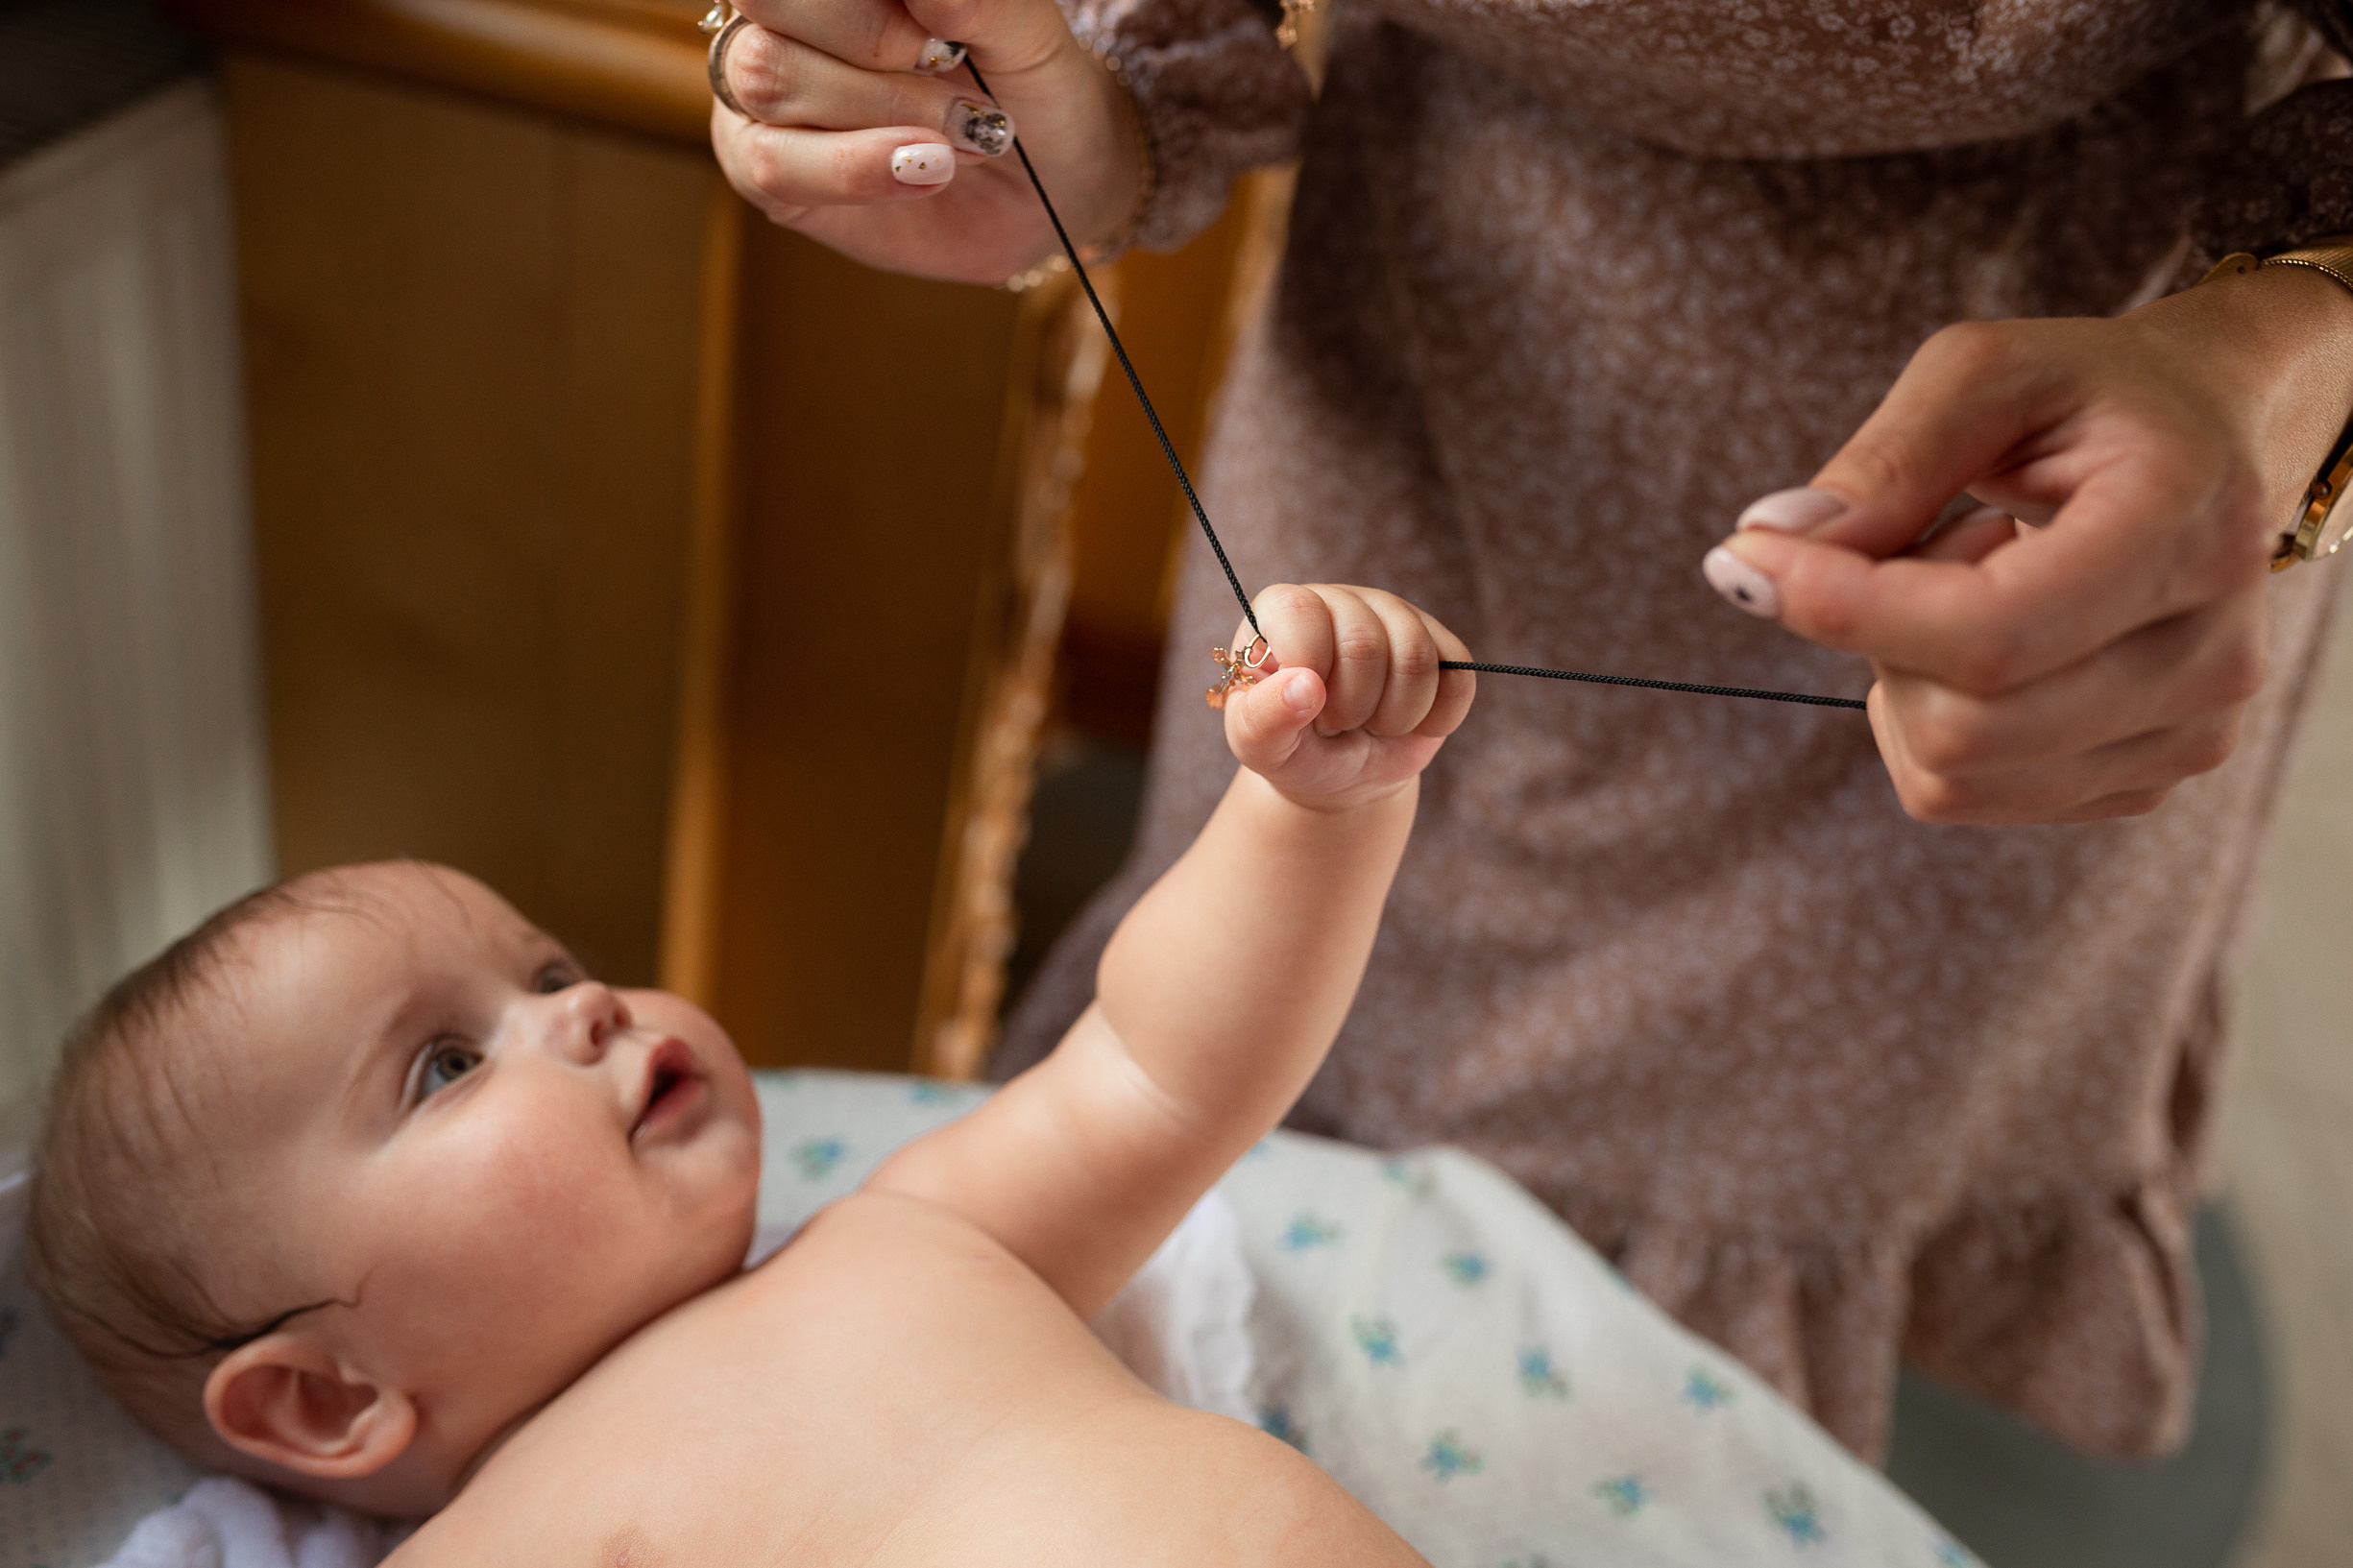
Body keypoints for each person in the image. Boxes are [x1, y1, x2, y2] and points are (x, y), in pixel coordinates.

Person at [704, 0, 2353, 1460]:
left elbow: (1143, 1086)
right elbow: (1155, 1084)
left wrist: (2281, 357)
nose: (590, 1023)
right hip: (1417, 355)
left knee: (1736, 1199)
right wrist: (1070, 100)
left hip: (2044, 473)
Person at [27, 588, 1466, 1559]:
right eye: (445, 1064)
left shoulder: (910, 1233)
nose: (586, 1007)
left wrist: (1309, 816)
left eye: (548, 973)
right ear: (322, 1401)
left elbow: (1157, 1071)